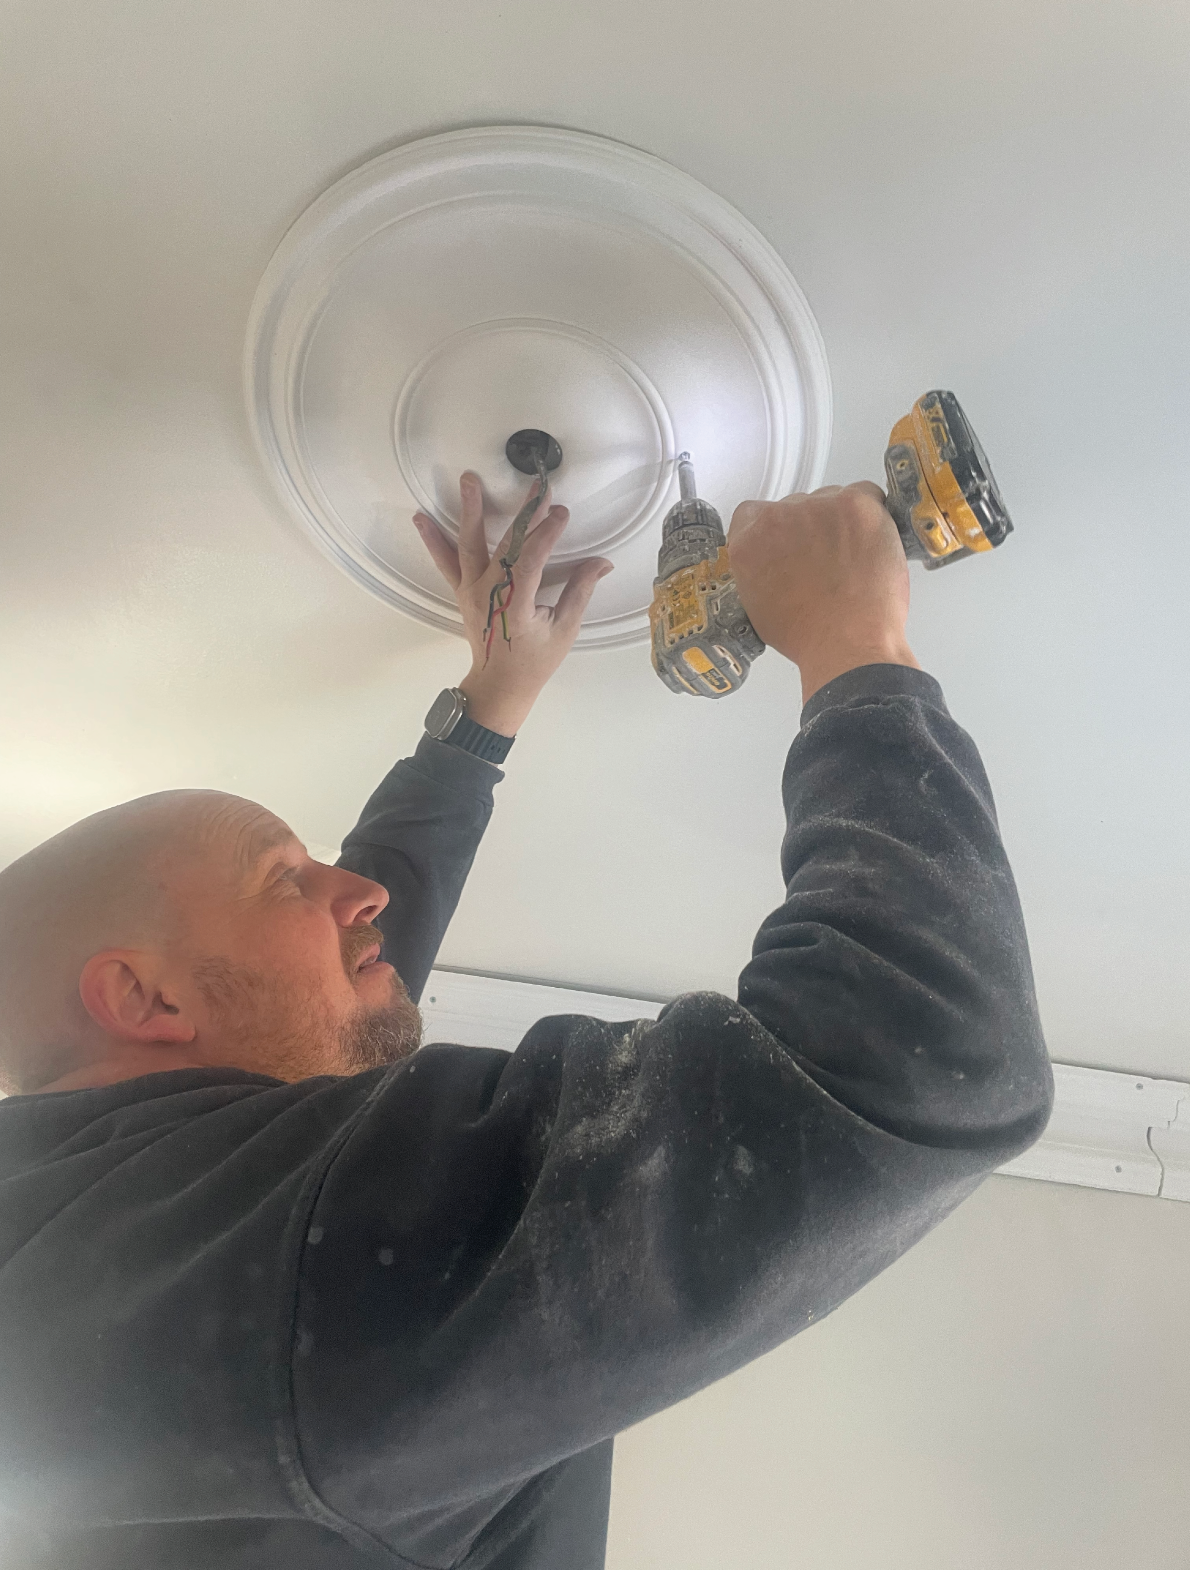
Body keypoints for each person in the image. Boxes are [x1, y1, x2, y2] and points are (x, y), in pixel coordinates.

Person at [0, 472, 1053, 1570]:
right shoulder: (245, 1278)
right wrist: (854, 649)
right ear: (143, 999)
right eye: (284, 880)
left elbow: (308, 1000)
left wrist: (481, 713)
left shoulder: (128, 1274)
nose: (356, 898)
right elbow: (908, 1057)